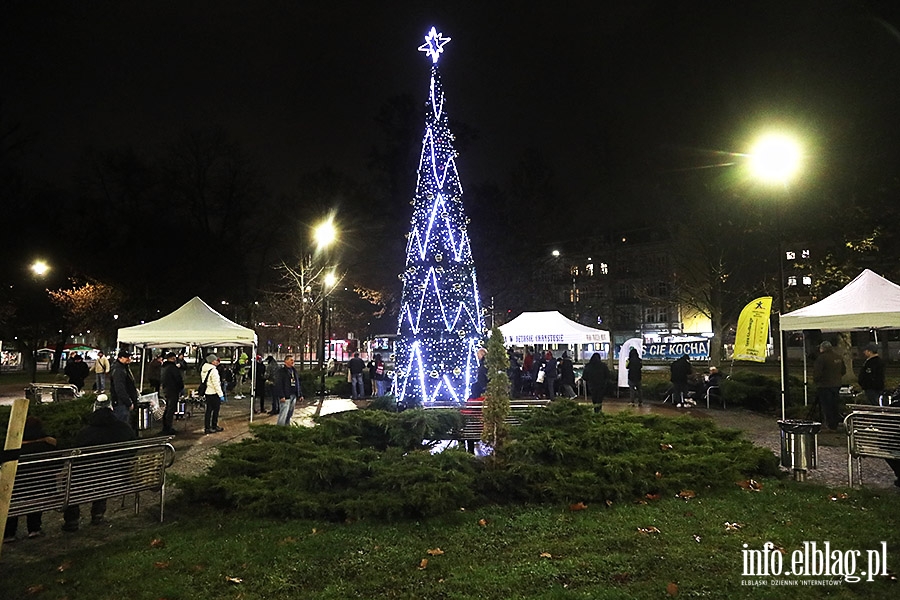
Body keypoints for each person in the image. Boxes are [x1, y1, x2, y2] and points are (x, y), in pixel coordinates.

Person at [62, 394, 136, 531]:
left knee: (72, 478)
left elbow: (75, 457)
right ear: (111, 409)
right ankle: (98, 514)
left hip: (89, 480)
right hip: (119, 478)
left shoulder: (85, 433)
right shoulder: (125, 429)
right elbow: (133, 451)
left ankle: (72, 520)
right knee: (104, 472)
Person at [3, 417, 56, 542]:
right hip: (41, 490)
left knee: (12, 495)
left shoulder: (12, 450)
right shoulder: (47, 446)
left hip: (15, 491)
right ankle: (34, 528)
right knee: (35, 490)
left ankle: (9, 533)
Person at [814, 341, 846, 430]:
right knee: (834, 405)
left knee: (826, 406)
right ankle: (835, 423)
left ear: (822, 348)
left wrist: (817, 381)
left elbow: (817, 373)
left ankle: (829, 424)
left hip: (825, 386)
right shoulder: (838, 357)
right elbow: (843, 371)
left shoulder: (821, 358)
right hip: (836, 385)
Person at [109, 350, 138, 424]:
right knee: (122, 424)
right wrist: (128, 402)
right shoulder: (119, 370)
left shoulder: (123, 368)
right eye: (126, 357)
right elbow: (120, 388)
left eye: (129, 357)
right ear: (120, 358)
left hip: (123, 401)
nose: (129, 358)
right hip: (121, 402)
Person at [274, 354, 304, 426]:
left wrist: (300, 394)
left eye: (293, 360)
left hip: (293, 395)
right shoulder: (281, 372)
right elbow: (279, 384)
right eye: (291, 360)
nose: (293, 362)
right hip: (286, 396)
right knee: (283, 413)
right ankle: (280, 427)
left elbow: (297, 383)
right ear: (286, 361)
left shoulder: (294, 371)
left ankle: (287, 426)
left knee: (290, 413)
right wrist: (281, 396)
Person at [200, 354, 225, 434]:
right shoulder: (213, 370)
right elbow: (216, 384)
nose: (217, 362)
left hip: (207, 392)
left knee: (208, 411)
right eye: (215, 360)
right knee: (215, 410)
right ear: (211, 361)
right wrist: (221, 394)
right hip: (214, 392)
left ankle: (207, 427)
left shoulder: (204, 369)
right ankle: (214, 425)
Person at [159, 352, 182, 435]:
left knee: (167, 409)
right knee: (170, 410)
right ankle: (168, 428)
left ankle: (165, 427)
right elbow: (178, 379)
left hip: (167, 390)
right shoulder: (172, 368)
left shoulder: (164, 367)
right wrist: (180, 388)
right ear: (173, 358)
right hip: (173, 390)